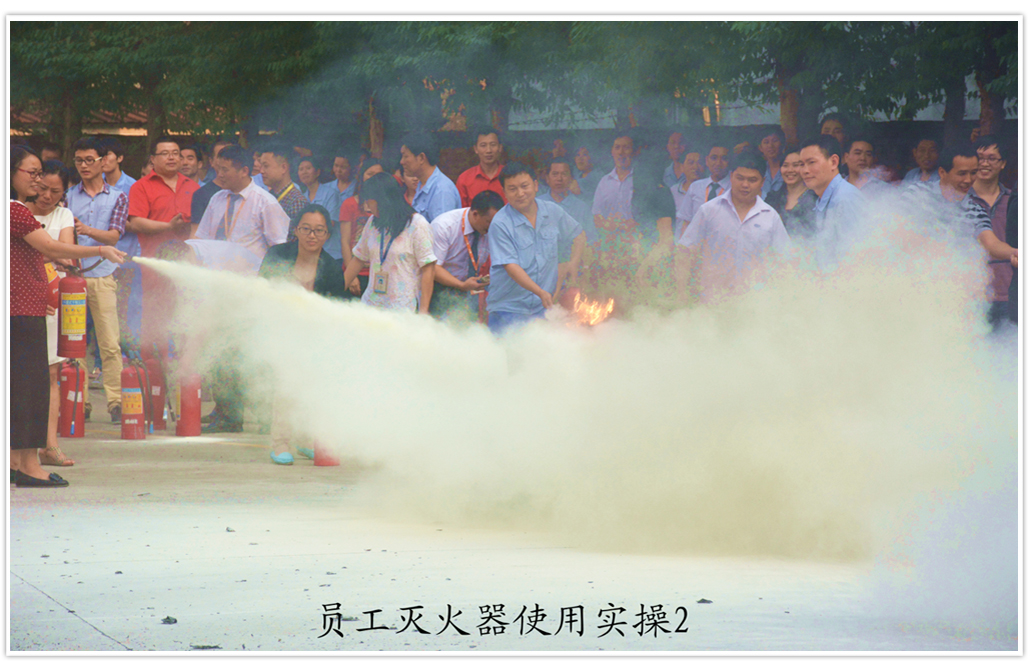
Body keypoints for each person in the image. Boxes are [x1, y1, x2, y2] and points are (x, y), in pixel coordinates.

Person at [10, 146, 126, 488]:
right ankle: (29, 466)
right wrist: (100, 249)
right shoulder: (15, 210)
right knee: (30, 389)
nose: (37, 180)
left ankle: (17, 462)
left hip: (22, 307)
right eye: (32, 173)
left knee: (20, 388)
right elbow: (51, 246)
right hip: (22, 311)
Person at [258, 204, 348, 465]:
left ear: (327, 235)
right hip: (281, 331)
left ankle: (307, 440)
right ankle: (280, 443)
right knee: (286, 385)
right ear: (295, 230)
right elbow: (261, 291)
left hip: (316, 336)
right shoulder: (277, 255)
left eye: (319, 230)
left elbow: (337, 309)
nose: (312, 235)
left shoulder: (332, 268)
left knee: (312, 389)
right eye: (306, 229)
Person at [64, 137, 129, 425]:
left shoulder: (118, 196)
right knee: (74, 344)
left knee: (110, 342)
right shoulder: (68, 196)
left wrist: (86, 229)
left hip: (103, 275)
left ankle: (116, 402)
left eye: (90, 160)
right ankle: (81, 402)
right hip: (73, 277)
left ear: (103, 162)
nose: (84, 166)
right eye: (79, 160)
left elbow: (114, 236)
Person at [675, 150, 792, 305]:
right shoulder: (709, 210)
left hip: (756, 304)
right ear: (731, 177)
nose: (745, 185)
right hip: (712, 301)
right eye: (740, 178)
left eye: (752, 180)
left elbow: (785, 260)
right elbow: (685, 251)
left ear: (762, 182)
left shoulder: (770, 217)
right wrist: (682, 293)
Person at [486, 162, 586, 334]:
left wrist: (573, 263)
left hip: (542, 308)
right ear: (504, 192)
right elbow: (511, 267)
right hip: (509, 309)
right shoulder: (500, 223)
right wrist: (540, 292)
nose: (520, 193)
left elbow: (578, 234)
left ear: (535, 185)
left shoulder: (552, 211)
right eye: (512, 189)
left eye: (524, 186)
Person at [127, 135, 200, 362]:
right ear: (153, 159)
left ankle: (185, 366)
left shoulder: (193, 187)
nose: (172, 158)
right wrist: (168, 226)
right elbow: (136, 222)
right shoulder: (141, 187)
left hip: (188, 264)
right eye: (165, 154)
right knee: (155, 316)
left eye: (176, 153)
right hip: (154, 265)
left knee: (186, 314)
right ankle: (154, 367)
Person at [23, 161, 77, 466]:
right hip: (21, 297)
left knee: (51, 372)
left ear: (64, 192)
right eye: (43, 188)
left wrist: (45, 252)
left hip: (53, 300)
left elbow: (65, 251)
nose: (47, 196)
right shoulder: (17, 209)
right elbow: (55, 252)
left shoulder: (63, 215)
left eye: (55, 192)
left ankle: (49, 445)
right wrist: (51, 252)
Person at [343, 171, 437, 313]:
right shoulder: (373, 222)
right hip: (371, 306)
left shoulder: (418, 225)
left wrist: (423, 312)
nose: (367, 207)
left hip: (403, 309)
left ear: (383, 200)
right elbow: (358, 259)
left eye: (369, 201)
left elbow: (428, 269)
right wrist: (336, 291)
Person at [195, 143, 290, 260]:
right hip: (214, 268)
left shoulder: (265, 203)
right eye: (218, 169)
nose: (219, 175)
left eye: (224, 170)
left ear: (244, 171)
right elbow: (202, 237)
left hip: (249, 270)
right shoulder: (216, 198)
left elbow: (279, 247)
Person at [428, 189, 505, 321]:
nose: (493, 227)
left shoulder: (491, 229)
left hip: (469, 289)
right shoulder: (444, 226)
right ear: (475, 214)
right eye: (489, 222)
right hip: (440, 287)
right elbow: (433, 268)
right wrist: (461, 285)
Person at [799, 134, 864, 271]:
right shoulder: (824, 197)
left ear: (834, 162)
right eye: (802, 164)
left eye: (811, 162)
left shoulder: (846, 198)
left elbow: (855, 258)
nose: (804, 171)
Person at [969, 135, 1014, 329]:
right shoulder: (960, 200)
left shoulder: (1015, 201)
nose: (984, 164)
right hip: (970, 294)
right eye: (980, 158)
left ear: (1003, 164)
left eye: (992, 158)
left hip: (1009, 293)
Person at [674, 141, 732, 240]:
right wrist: (682, 246)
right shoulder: (695, 187)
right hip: (696, 244)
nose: (718, 163)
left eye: (724, 158)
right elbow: (686, 222)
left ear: (730, 162)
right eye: (714, 158)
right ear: (707, 161)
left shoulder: (735, 188)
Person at [400, 132, 462, 223]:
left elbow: (441, 230)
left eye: (406, 156)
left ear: (421, 158)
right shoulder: (421, 184)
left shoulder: (441, 191)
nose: (402, 162)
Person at [540, 157, 596, 245]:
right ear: (547, 178)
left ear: (571, 179)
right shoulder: (536, 205)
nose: (559, 178)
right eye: (555, 174)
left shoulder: (582, 208)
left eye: (564, 174)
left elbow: (592, 241)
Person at [765, 148, 818, 239]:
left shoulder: (816, 199)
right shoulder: (772, 198)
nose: (790, 170)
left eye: (795, 165)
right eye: (785, 165)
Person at [259, 143, 309, 237]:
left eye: (266, 166)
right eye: (261, 166)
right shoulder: (268, 196)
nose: (261, 171)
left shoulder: (297, 202)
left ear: (283, 168)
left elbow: (294, 240)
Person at [456, 128, 506, 208]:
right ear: (476, 149)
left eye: (493, 145)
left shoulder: (509, 176)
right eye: (483, 145)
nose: (488, 150)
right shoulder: (464, 179)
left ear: (500, 147)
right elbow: (461, 212)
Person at [190, 139, 233, 228]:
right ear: (211, 161)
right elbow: (196, 230)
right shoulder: (201, 195)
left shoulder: (248, 192)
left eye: (229, 156)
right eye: (220, 156)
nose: (225, 160)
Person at [669, 146, 704, 215]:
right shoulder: (673, 192)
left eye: (699, 163)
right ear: (682, 167)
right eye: (691, 163)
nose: (695, 167)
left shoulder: (711, 190)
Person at [758, 127, 786, 199]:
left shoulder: (789, 170)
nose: (770, 145)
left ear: (782, 144)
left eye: (775, 141)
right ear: (760, 148)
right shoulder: (759, 171)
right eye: (766, 142)